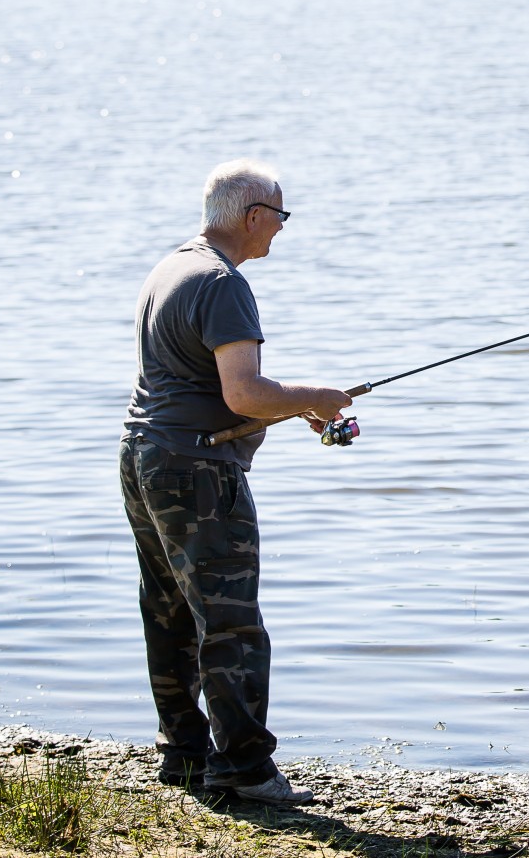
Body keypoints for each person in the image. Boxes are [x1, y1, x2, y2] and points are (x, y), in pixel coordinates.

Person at [121, 159, 352, 805]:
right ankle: (247, 771)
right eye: (280, 216)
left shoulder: (171, 267)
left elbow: (203, 387)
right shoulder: (222, 283)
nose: (281, 229)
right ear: (254, 216)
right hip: (197, 470)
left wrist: (296, 404)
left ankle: (184, 758)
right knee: (231, 624)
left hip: (144, 457)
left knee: (168, 612)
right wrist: (319, 395)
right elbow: (244, 392)